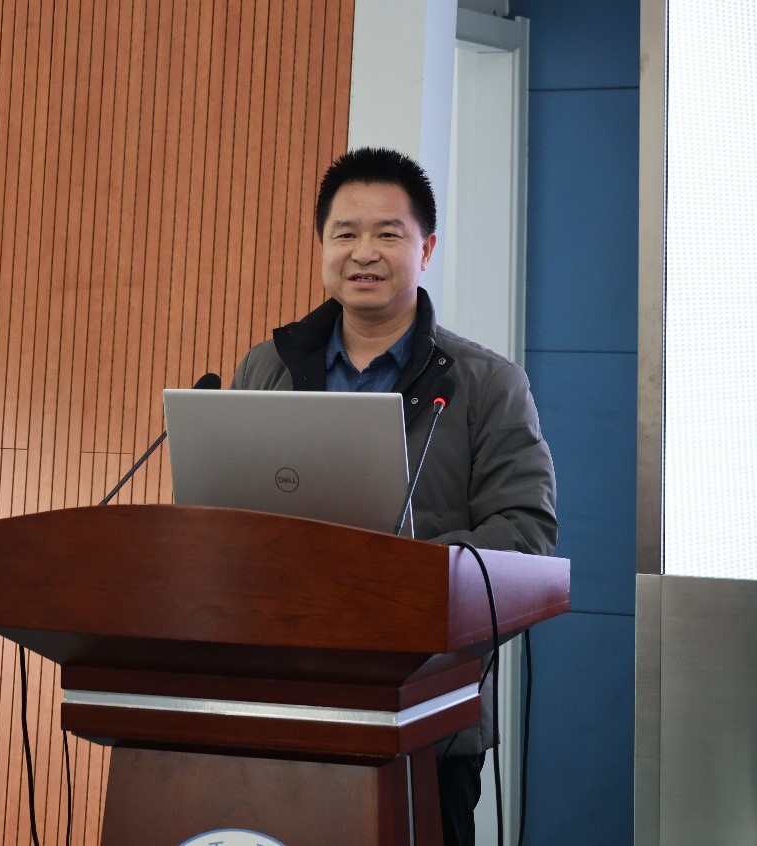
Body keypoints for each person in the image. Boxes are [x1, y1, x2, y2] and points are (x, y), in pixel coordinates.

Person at [231, 147, 558, 844]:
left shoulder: (486, 384)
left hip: (426, 714)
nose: (363, 253)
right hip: (281, 699)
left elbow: (525, 535)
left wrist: (394, 580)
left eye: (387, 233)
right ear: (322, 246)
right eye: (344, 233)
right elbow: (223, 514)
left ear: (426, 249)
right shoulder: (266, 367)